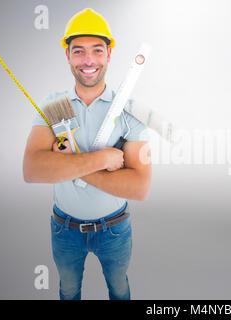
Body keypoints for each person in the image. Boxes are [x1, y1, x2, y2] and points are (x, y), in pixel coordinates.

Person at [22, 8, 152, 300]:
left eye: (97, 50)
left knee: (119, 288)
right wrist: (102, 159)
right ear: (68, 56)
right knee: (68, 290)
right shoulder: (54, 105)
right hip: (64, 229)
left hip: (115, 230)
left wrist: (67, 164)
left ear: (108, 55)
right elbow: (32, 170)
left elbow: (139, 187)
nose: (88, 60)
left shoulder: (132, 111)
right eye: (78, 51)